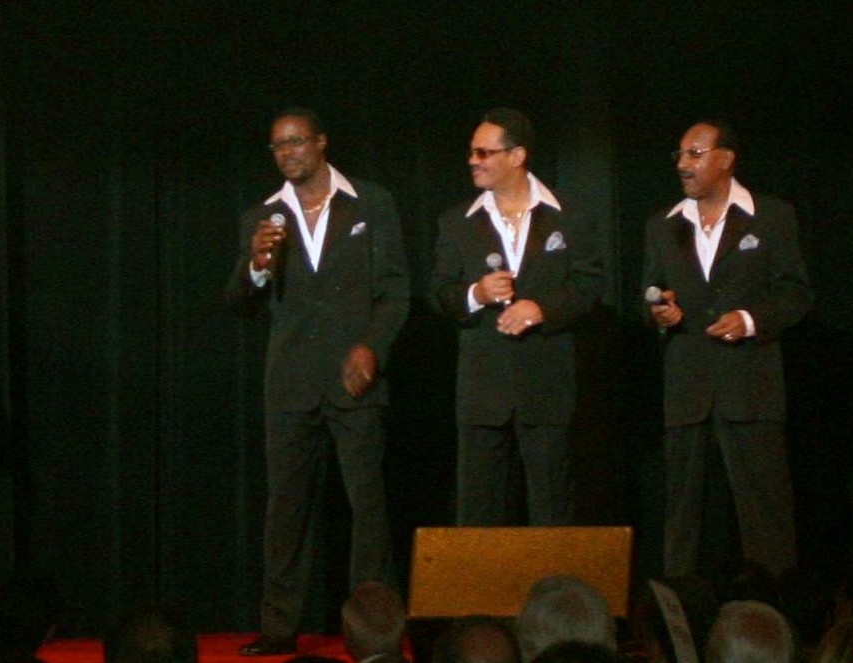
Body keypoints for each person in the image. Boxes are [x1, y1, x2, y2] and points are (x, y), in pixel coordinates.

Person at [226, 108, 410, 655]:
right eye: (278, 146)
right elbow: (238, 299)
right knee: (286, 507)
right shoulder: (261, 216)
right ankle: (280, 625)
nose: (288, 154)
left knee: (367, 507)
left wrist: (371, 347)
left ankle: (373, 629)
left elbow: (396, 291)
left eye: (297, 142)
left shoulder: (371, 203)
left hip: (354, 381)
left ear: (322, 143)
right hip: (289, 385)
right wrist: (258, 264)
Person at [643, 123, 811, 577]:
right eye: (679, 154)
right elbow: (653, 291)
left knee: (765, 516)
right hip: (688, 388)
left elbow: (795, 294)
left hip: (749, 387)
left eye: (695, 153)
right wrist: (662, 312)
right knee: (682, 518)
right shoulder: (663, 226)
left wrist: (751, 320)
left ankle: (775, 617)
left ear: (726, 158)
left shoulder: (770, 217)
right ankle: (678, 621)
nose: (683, 164)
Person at [429, 110, 604, 526]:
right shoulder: (457, 223)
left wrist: (541, 309)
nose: (473, 160)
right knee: (479, 514)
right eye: (472, 152)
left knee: (551, 508)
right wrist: (477, 293)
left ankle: (556, 591)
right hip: (482, 391)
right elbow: (439, 294)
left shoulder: (570, 215)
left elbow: (590, 286)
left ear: (517, 155)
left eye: (483, 152)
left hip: (546, 387)